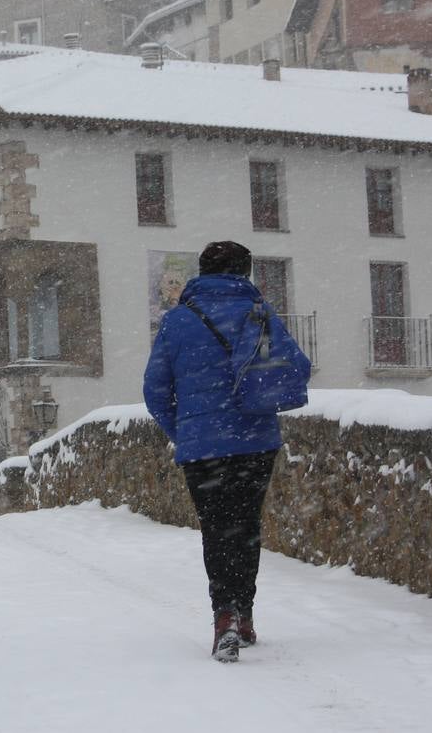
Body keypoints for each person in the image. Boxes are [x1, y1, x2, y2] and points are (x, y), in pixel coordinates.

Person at [142, 240, 302, 663]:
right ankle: (245, 613)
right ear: (243, 273)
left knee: (216, 528)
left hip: (202, 448)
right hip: (255, 441)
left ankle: (224, 615)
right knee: (246, 527)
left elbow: (155, 391)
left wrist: (186, 432)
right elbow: (295, 367)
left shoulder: (177, 321)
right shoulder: (259, 313)